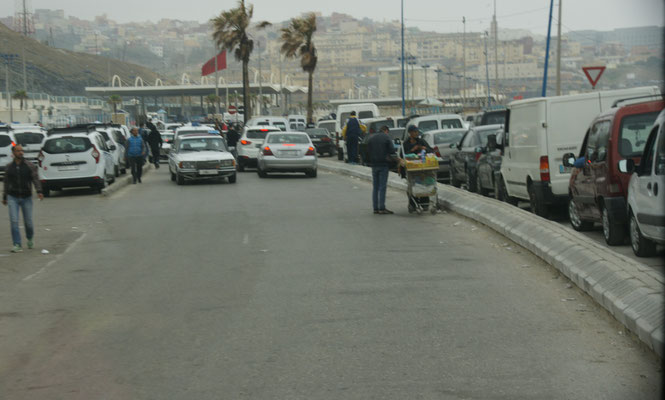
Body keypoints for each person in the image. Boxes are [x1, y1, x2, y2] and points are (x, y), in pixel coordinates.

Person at [2, 145, 43, 253]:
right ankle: (17, 244)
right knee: (14, 221)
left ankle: (29, 238)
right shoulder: (9, 167)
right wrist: (5, 197)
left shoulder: (29, 166)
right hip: (13, 197)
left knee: (28, 222)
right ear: (13, 153)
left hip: (26, 197)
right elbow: (6, 183)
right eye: (18, 151)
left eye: (21, 151)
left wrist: (39, 191)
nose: (21, 152)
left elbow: (35, 178)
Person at [368, 125, 400, 214]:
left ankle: (375, 208)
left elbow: (368, 151)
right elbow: (392, 151)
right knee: (382, 187)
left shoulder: (371, 138)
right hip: (383, 165)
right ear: (386, 130)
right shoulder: (386, 137)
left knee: (375, 187)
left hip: (374, 165)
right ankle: (382, 207)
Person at [402, 125, 434, 210]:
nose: (416, 133)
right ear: (410, 133)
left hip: (423, 168)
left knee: (424, 185)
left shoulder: (421, 141)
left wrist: (424, 148)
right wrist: (412, 150)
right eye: (415, 132)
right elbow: (403, 155)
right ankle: (413, 204)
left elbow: (431, 150)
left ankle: (425, 203)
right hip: (412, 169)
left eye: (417, 132)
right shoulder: (406, 144)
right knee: (412, 186)